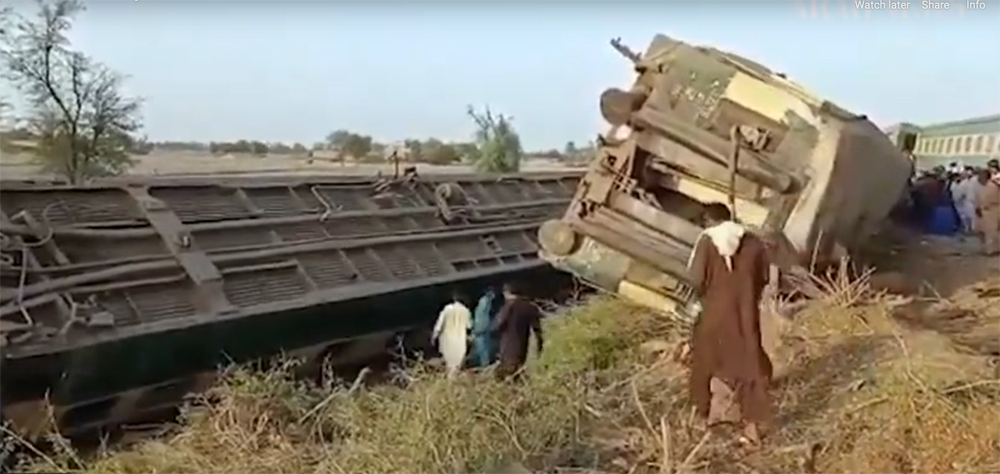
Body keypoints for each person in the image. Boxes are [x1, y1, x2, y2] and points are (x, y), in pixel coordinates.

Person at [686, 202, 772, 446]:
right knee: (749, 363)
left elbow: (696, 279)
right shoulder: (754, 242)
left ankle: (701, 419)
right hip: (745, 315)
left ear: (708, 221)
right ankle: (752, 428)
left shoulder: (706, 241)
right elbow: (764, 277)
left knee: (704, 362)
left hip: (714, 314)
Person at [491, 283, 544, 382]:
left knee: (503, 376)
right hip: (524, 346)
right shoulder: (530, 306)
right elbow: (537, 329)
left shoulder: (508, 307)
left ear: (506, 293)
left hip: (508, 347)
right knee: (519, 373)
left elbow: (497, 325)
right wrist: (539, 347)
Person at [432, 291, 473, 379]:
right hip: (460, 341)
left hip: (447, 341)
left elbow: (439, 326)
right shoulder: (466, 311)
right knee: (457, 365)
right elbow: (469, 326)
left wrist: (434, 337)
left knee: (449, 365)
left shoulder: (447, 309)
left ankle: (450, 383)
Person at [471, 286, 501, 367]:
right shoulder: (484, 301)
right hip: (482, 328)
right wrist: (479, 328)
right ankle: (484, 364)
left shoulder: (487, 301)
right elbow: (480, 316)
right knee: (482, 348)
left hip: (484, 327)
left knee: (485, 347)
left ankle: (485, 363)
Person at [975, 170, 1000, 256]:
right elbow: (979, 199)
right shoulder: (983, 187)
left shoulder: (992, 186)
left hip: (992, 211)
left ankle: (992, 250)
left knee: (991, 231)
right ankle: (987, 248)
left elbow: (990, 200)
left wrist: (982, 207)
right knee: (982, 231)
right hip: (983, 211)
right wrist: (978, 207)